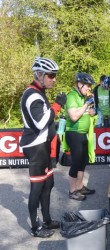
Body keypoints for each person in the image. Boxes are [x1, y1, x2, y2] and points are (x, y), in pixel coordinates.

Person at [20, 57, 67, 238]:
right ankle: (35, 227)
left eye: (55, 75)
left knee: (48, 183)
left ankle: (47, 220)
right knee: (37, 187)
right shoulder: (32, 94)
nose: (54, 79)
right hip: (36, 147)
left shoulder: (39, 92)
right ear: (39, 74)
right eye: (51, 75)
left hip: (44, 145)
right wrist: (57, 105)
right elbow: (40, 123)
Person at [65, 72, 96, 201]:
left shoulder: (83, 97)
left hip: (83, 133)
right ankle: (72, 191)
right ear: (79, 84)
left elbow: (88, 113)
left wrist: (92, 111)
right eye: (87, 86)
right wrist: (86, 105)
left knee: (83, 161)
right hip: (73, 133)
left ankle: (80, 186)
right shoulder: (71, 96)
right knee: (76, 162)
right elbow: (74, 116)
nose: (89, 88)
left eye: (90, 86)